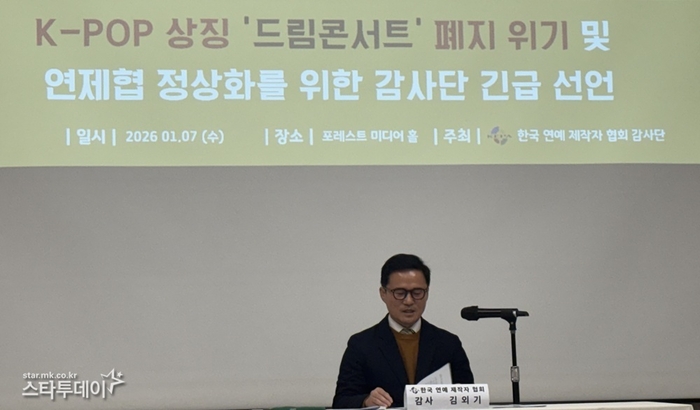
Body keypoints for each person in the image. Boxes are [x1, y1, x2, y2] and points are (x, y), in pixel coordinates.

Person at [332, 254, 474, 408]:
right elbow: (341, 402)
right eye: (400, 293)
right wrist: (366, 401)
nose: (409, 301)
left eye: (417, 292)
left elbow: (470, 399)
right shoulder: (361, 345)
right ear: (383, 293)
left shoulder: (448, 344)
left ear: (427, 293)